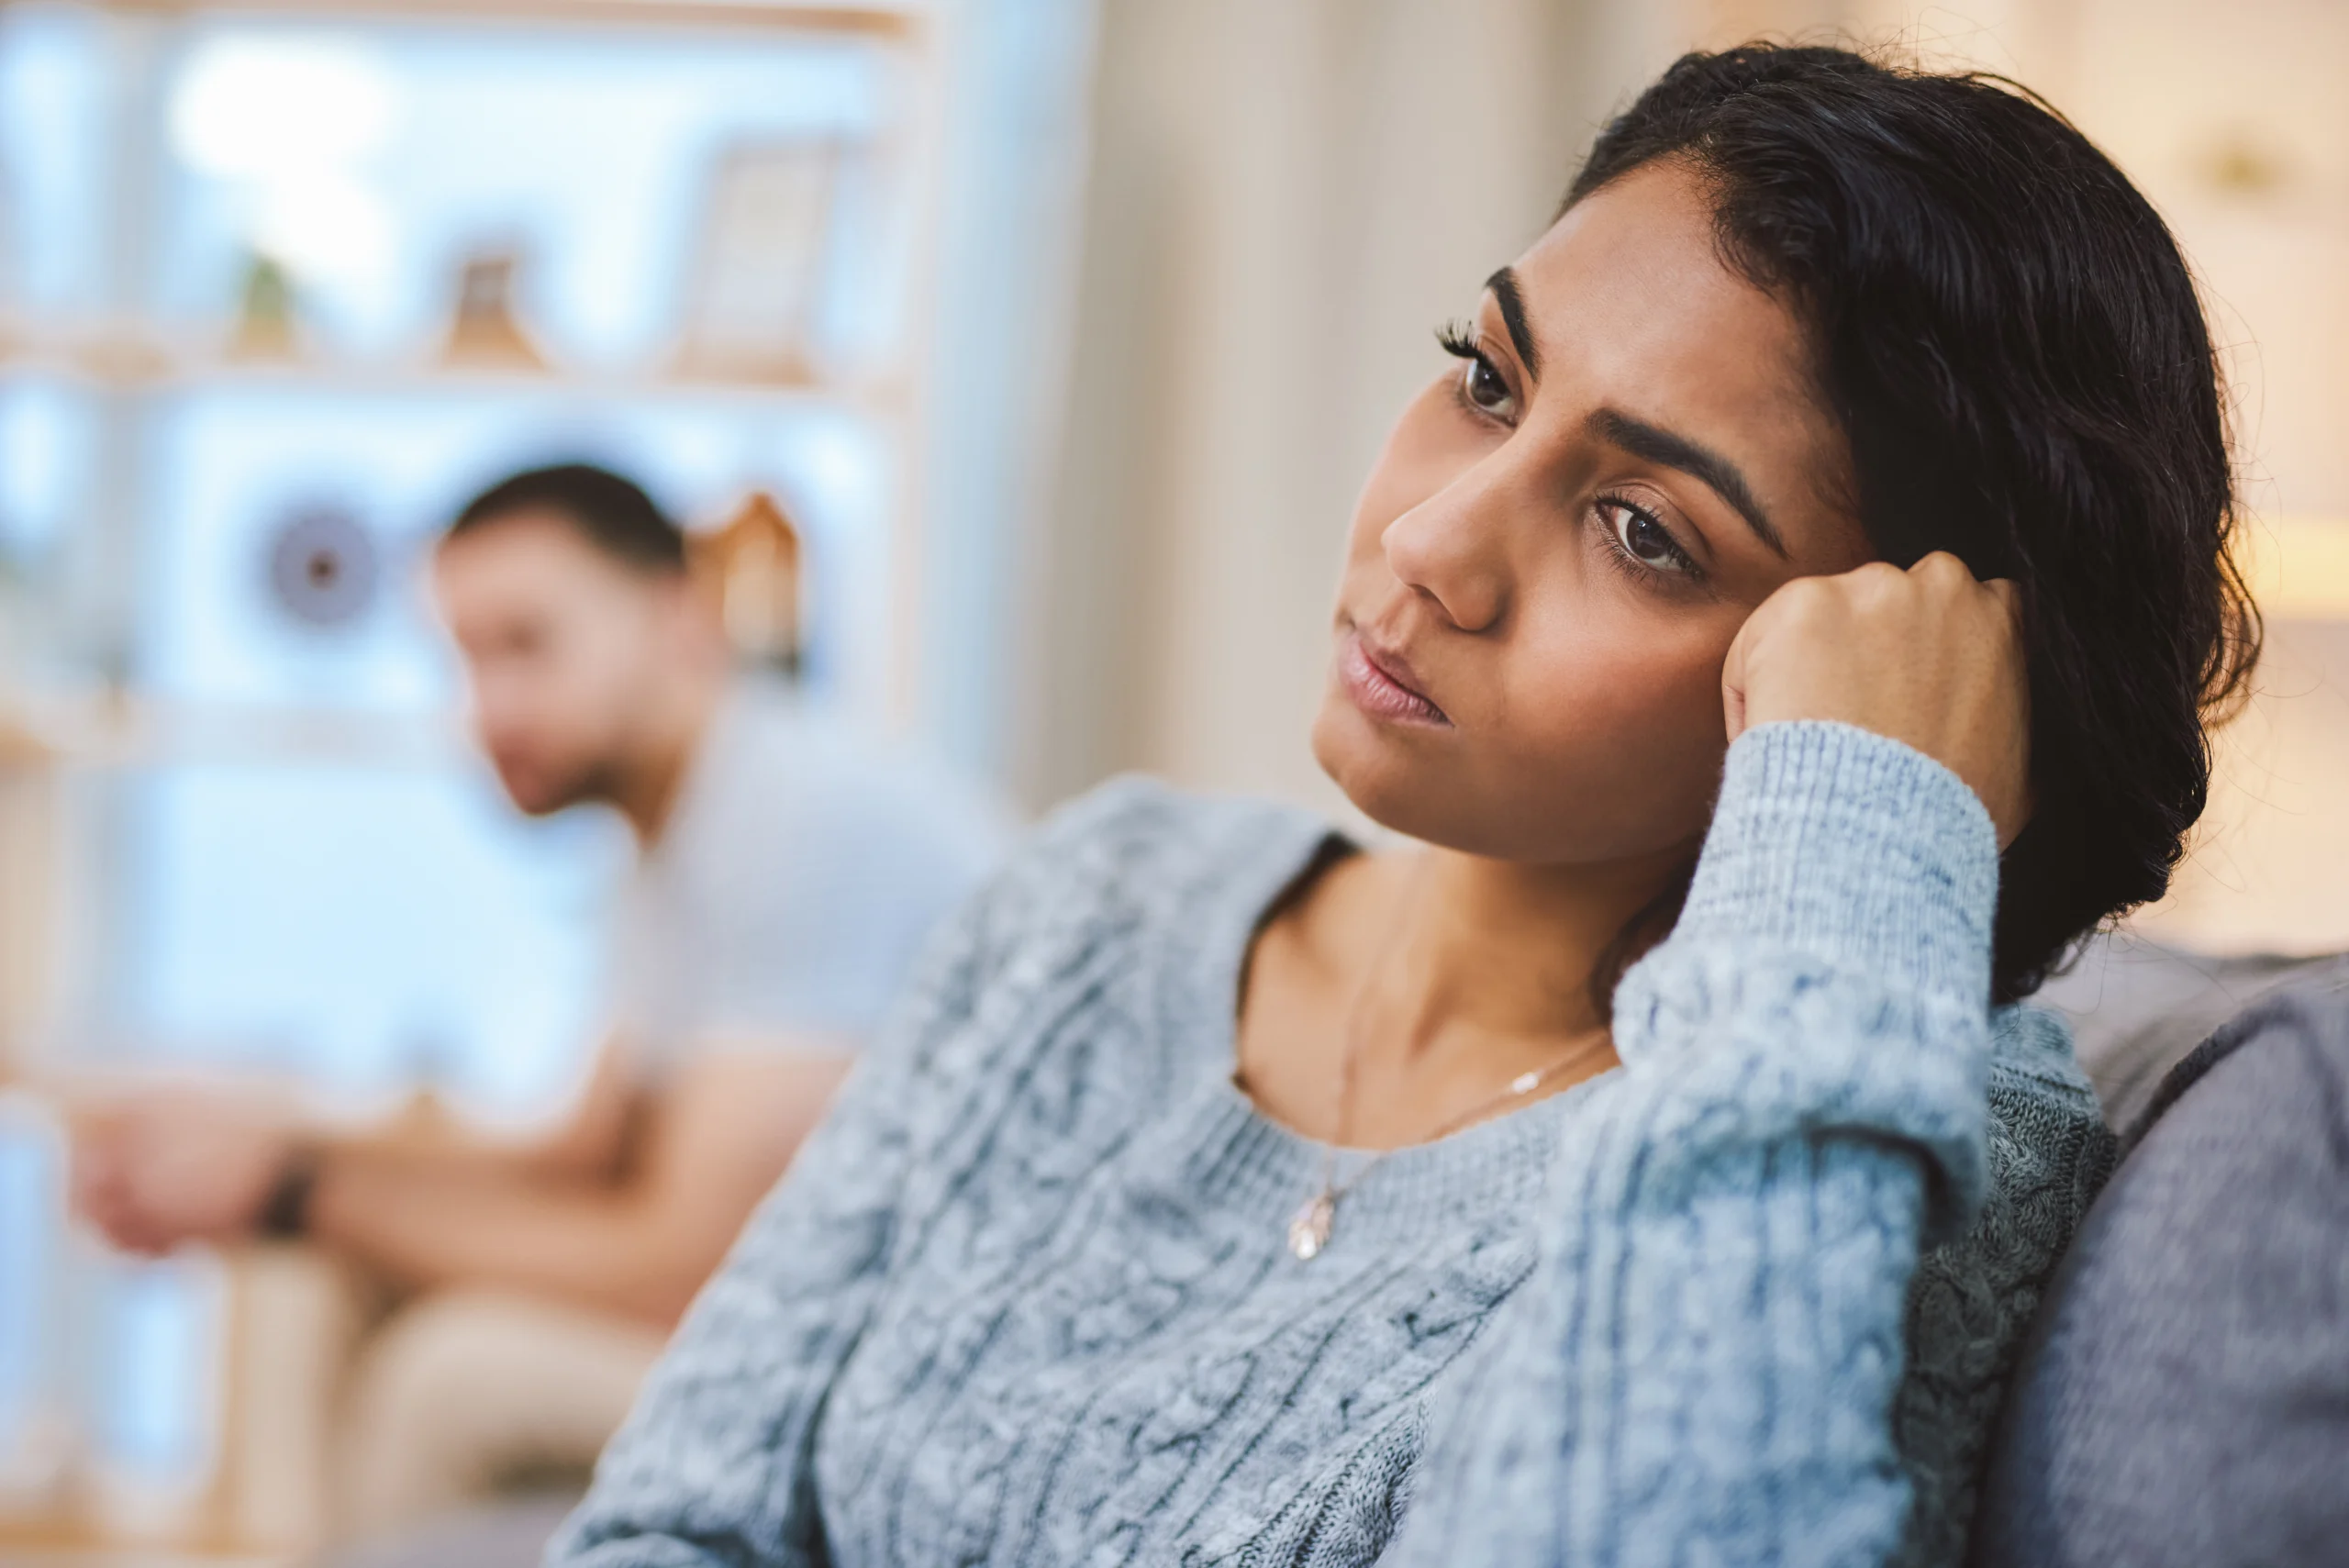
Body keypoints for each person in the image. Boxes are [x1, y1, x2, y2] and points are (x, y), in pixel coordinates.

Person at [551, 45, 2257, 1568]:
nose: (1432, 541)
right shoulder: (1095, 902)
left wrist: (1863, 821)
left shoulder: (1898, 1116)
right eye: (1488, 378)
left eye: (1647, 528)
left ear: (1864, 677)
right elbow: (668, 1515)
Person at [70, 462, 1009, 1540]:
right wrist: (270, 1153)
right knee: (314, 1277)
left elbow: (682, 1266)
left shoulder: (799, 821)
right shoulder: (669, 831)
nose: (489, 708)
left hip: (912, 1378)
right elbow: (581, 1152)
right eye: (464, 661)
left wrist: (300, 1186)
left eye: (528, 644)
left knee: (453, 1375)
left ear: (681, 619)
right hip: (810, 1321)